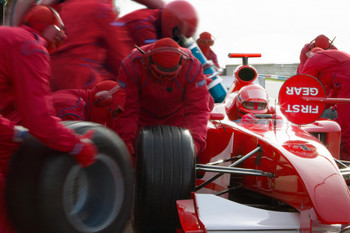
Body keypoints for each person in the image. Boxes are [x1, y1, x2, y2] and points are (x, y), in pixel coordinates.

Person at [0, 5, 98, 232]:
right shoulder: (31, 47)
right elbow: (39, 118)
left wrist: (14, 132)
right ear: (53, 30)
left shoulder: (9, 37)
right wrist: (77, 145)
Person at [116, 38, 212, 156]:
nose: (164, 78)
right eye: (160, 73)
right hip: (142, 119)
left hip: (177, 119)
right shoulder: (132, 64)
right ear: (148, 61)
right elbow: (127, 108)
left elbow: (198, 109)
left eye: (170, 74)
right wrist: (126, 140)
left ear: (181, 63)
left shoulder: (192, 66)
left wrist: (195, 142)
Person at [48, 0, 131, 91]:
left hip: (49, 77)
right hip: (81, 82)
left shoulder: (58, 7)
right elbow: (118, 56)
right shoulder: (101, 8)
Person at [301, 47, 350, 161]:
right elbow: (332, 94)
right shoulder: (332, 63)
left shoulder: (313, 60)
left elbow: (302, 84)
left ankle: (345, 159)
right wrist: (319, 107)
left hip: (347, 86)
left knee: (346, 125)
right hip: (344, 84)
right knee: (342, 123)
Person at [116, 0, 198, 50]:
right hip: (108, 67)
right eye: (177, 37)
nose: (176, 41)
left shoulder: (155, 21)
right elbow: (156, 61)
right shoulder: (144, 25)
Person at [51, 80, 126, 131]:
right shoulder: (72, 110)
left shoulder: (82, 105)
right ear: (101, 100)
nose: (112, 118)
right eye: (113, 113)